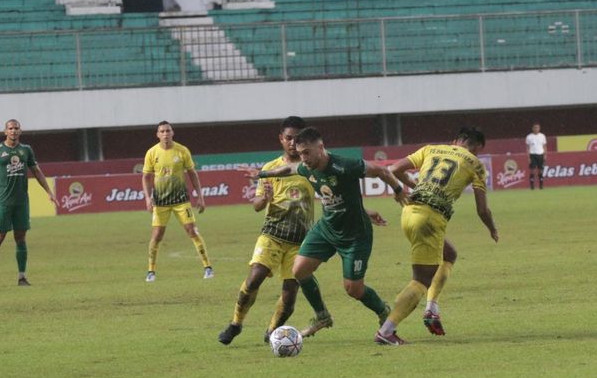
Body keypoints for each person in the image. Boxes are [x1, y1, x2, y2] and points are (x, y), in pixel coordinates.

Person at [243, 126, 409, 337]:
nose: (303, 158)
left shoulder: (345, 165)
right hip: (327, 228)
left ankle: (383, 311)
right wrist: (262, 174)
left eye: (306, 153)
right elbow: (287, 169)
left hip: (355, 235)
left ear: (320, 148)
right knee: (299, 270)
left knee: (353, 289)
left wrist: (397, 190)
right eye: (300, 153)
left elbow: (382, 171)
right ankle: (322, 316)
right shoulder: (306, 167)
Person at [376, 127, 498, 345]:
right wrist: (492, 228)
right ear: (478, 147)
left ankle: (432, 307)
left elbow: (393, 169)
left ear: (455, 140)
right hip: (430, 218)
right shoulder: (476, 164)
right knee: (421, 280)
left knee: (448, 254)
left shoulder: (432, 149)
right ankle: (386, 331)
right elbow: (482, 210)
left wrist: (414, 185)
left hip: (409, 211)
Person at [218, 116, 314, 345]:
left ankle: (272, 331)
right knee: (254, 279)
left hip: (300, 241)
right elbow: (257, 205)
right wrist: (266, 199)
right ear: (281, 139)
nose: (292, 143)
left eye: (297, 139)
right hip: (272, 234)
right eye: (288, 138)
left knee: (290, 295)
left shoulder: (310, 167)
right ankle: (235, 323)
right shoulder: (269, 168)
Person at [142, 121, 213, 282]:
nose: (165, 134)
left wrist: (200, 196)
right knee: (157, 235)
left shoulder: (182, 151)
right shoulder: (152, 153)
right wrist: (147, 197)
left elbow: (192, 173)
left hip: (181, 200)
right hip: (160, 201)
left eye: (168, 130)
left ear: (172, 133)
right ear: (158, 134)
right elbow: (146, 177)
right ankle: (151, 271)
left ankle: (207, 267)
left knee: (192, 231)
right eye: (162, 131)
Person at [0, 119, 58, 286]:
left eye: (16, 128)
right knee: (0, 236)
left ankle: (22, 277)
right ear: (5, 131)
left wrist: (49, 192)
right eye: (10, 128)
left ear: (20, 131)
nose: (13, 131)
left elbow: (37, 171)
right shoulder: (0, 150)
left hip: (21, 203)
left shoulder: (26, 150)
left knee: (20, 237)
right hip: (3, 201)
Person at [525, 122, 547, 190]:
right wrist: (528, 157)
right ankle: (532, 186)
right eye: (535, 127)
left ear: (539, 128)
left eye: (537, 127)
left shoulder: (542, 136)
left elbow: (544, 146)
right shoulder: (529, 137)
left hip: (540, 154)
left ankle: (541, 185)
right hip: (532, 155)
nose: (536, 129)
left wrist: (545, 155)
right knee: (532, 170)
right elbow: (527, 148)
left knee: (540, 170)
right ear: (532, 128)